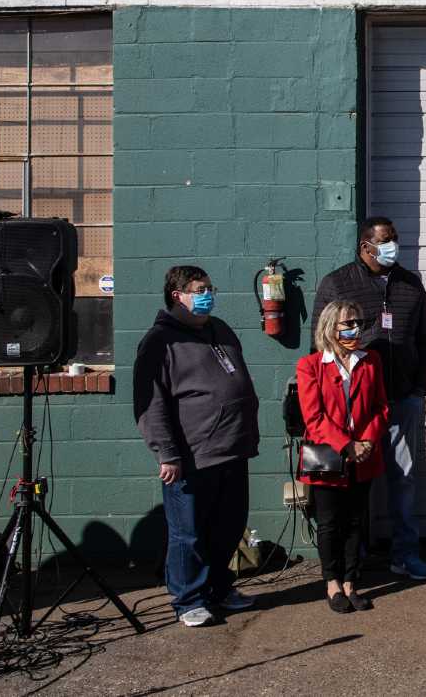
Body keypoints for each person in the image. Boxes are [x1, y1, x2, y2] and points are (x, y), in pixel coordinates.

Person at [312, 216, 426, 581]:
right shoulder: (338, 282)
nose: (392, 246)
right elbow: (319, 344)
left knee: (405, 478)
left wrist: (419, 387)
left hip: (400, 399)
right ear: (365, 246)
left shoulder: (409, 283)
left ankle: (405, 554)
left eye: (394, 239)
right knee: (351, 482)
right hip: (355, 405)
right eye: (385, 240)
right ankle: (354, 560)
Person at [134, 266, 259, 627]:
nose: (209, 294)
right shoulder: (160, 341)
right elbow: (150, 402)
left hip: (233, 449)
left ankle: (220, 589)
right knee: (188, 533)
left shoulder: (219, 329)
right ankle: (188, 599)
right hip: (191, 457)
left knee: (228, 528)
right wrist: (166, 453)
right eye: (200, 289)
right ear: (178, 295)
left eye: (210, 287)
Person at [297, 302, 390, 613]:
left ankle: (351, 582)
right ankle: (332, 583)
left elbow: (381, 407)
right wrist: (347, 444)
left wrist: (366, 441)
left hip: (363, 455)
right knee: (329, 523)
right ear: (330, 328)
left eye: (358, 322)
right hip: (329, 456)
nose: (355, 329)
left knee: (355, 521)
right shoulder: (310, 365)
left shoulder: (371, 360)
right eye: (347, 323)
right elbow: (314, 418)